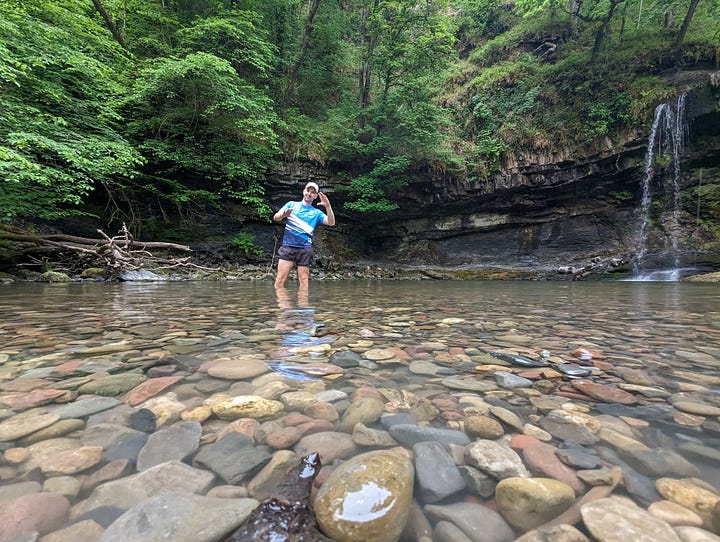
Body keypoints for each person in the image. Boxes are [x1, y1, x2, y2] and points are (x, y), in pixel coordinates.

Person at [273, 181, 335, 291]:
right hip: (288, 246)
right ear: (303, 191)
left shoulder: (316, 213)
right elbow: (275, 217)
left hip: (305, 249)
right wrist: (283, 215)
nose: (309, 194)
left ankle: (303, 306)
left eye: (312, 192)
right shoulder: (291, 204)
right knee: (280, 279)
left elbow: (331, 222)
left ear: (315, 196)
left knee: (304, 280)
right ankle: (282, 306)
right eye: (308, 191)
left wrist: (328, 206)